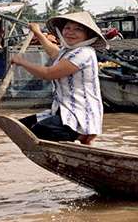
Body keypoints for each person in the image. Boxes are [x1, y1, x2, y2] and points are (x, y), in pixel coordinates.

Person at [10, 11, 107, 145]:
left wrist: (22, 62)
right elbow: (54, 52)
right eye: (67, 28)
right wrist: (38, 33)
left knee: (40, 130)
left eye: (78, 29)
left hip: (80, 114)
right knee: (21, 127)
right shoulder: (68, 51)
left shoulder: (84, 52)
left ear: (87, 35)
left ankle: (79, 136)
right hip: (63, 110)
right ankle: (73, 141)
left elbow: (48, 74)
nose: (70, 32)